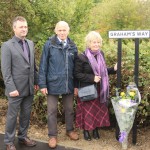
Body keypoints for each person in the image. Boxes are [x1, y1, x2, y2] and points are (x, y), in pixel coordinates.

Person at [38, 21, 79, 148]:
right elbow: (43, 65)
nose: (62, 32)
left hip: (69, 83)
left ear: (68, 31)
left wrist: (76, 85)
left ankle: (70, 130)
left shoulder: (73, 46)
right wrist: (42, 84)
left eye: (64, 30)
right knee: (51, 111)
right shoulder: (49, 44)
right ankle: (52, 136)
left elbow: (76, 68)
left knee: (69, 109)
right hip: (52, 83)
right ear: (56, 31)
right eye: (59, 30)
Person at [1, 16, 38, 150]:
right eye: (21, 27)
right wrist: (11, 88)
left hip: (29, 87)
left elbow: (33, 66)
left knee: (26, 115)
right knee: (12, 116)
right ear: (14, 28)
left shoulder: (30, 43)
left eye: (25, 26)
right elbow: (6, 70)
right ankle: (9, 142)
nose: (24, 29)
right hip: (15, 89)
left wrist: (36, 81)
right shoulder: (7, 46)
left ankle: (23, 137)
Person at [74, 31, 117, 141]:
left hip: (99, 89)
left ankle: (95, 129)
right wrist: (92, 78)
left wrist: (113, 69)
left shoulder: (100, 54)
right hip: (87, 89)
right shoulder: (81, 57)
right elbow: (77, 74)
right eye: (94, 42)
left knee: (97, 111)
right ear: (89, 43)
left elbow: (103, 71)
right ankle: (86, 131)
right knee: (87, 111)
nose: (96, 44)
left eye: (98, 42)